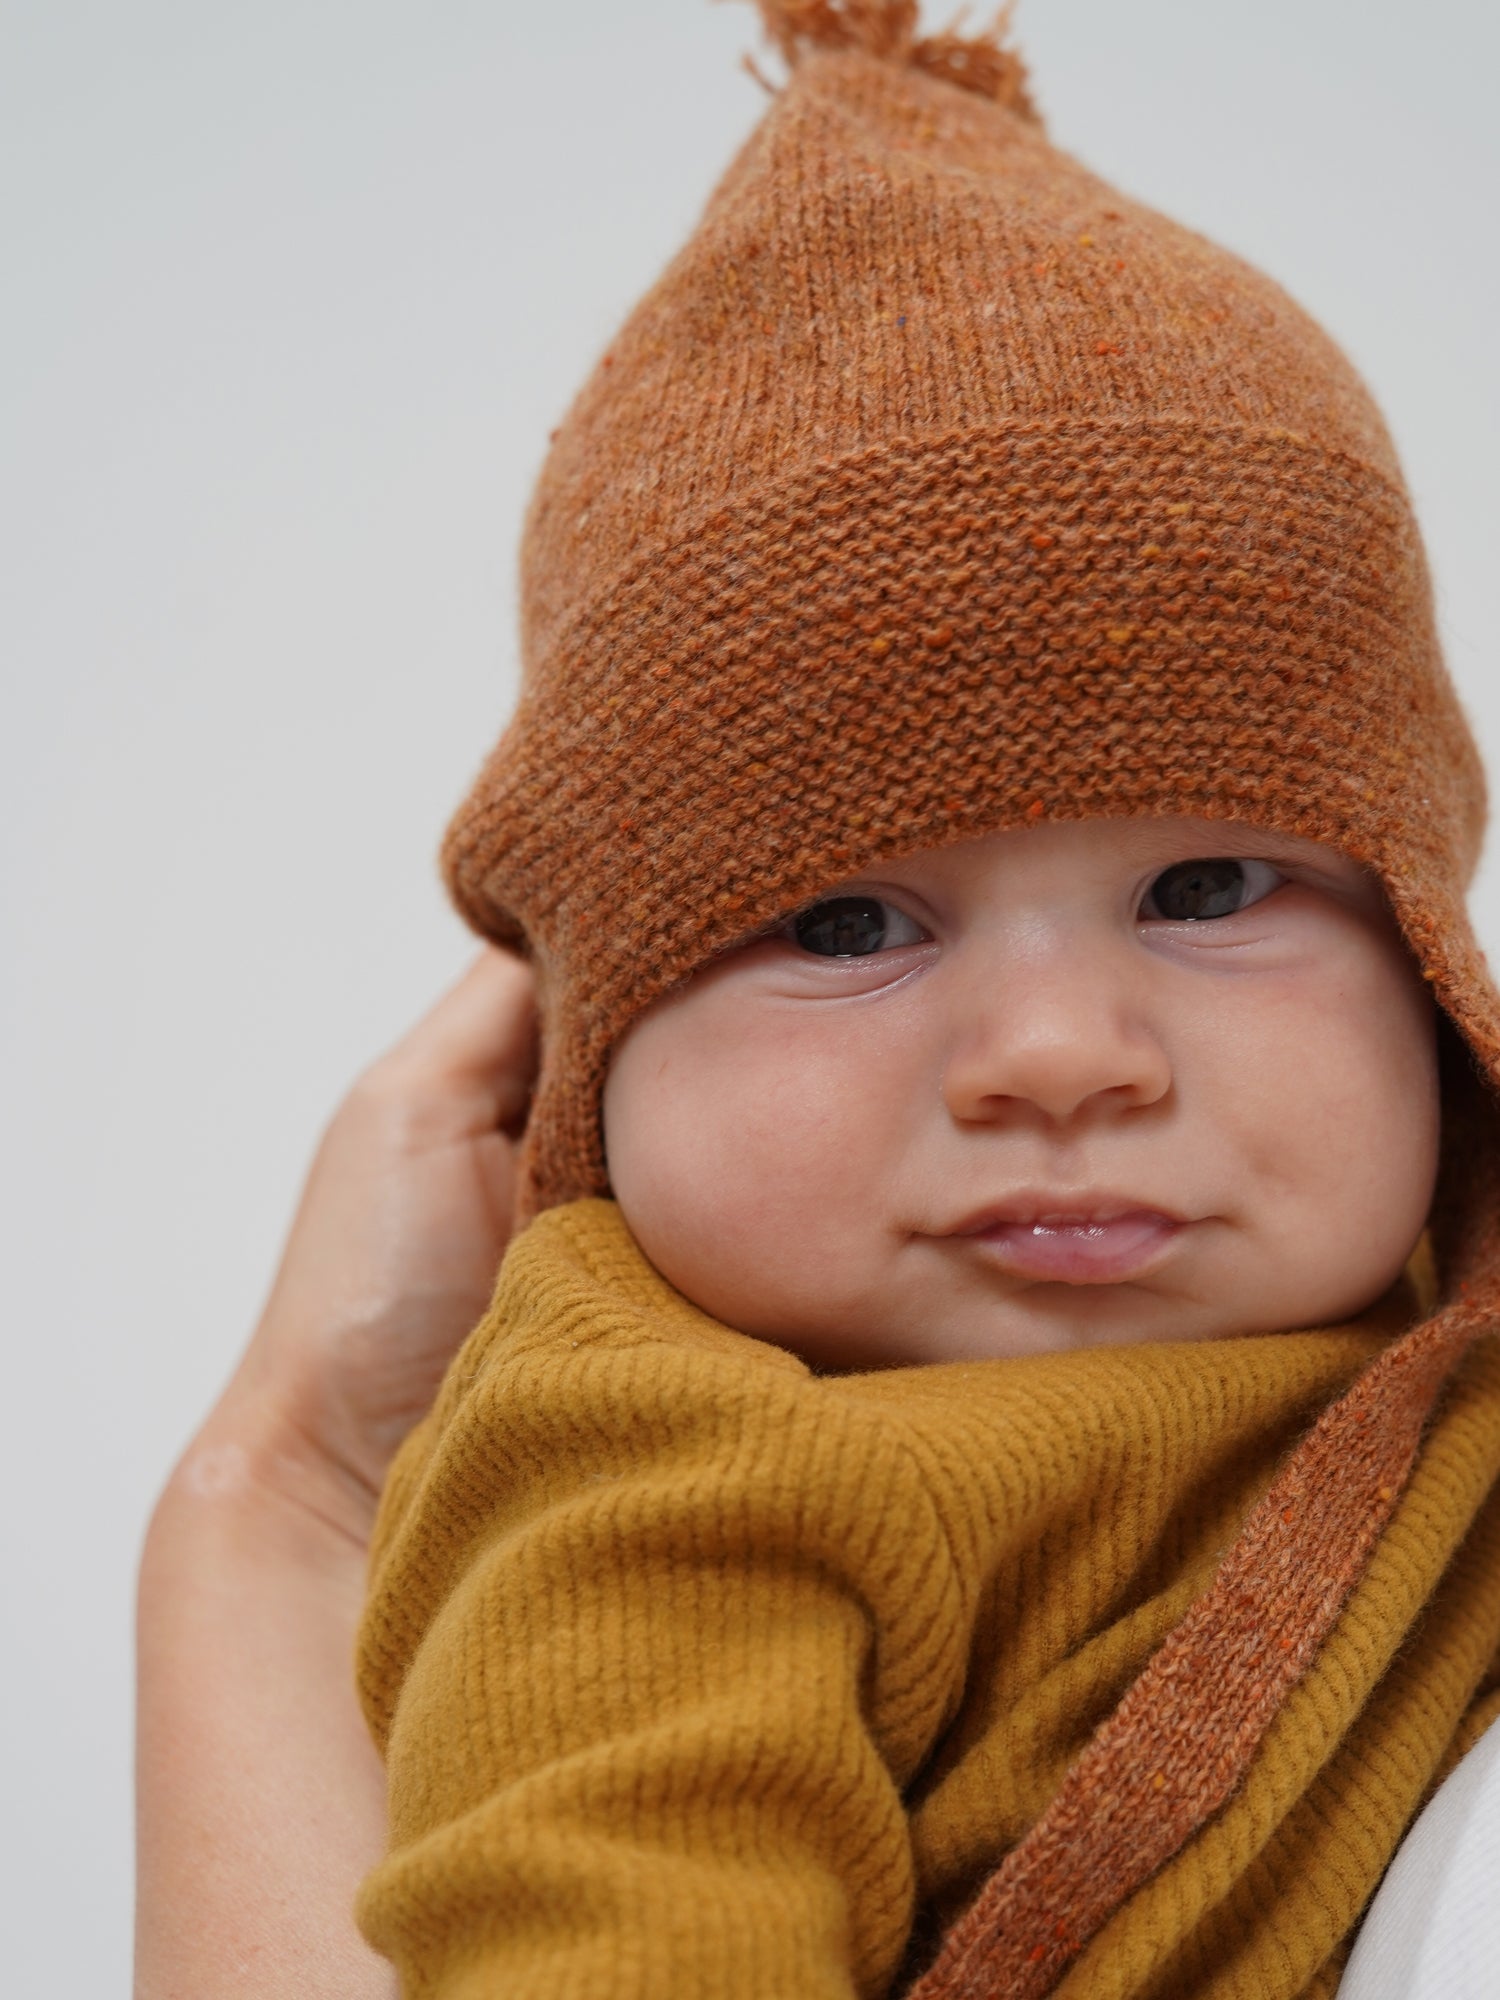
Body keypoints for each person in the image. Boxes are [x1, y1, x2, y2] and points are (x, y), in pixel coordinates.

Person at [134, 4, 1500, 1996]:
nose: (1058, 1057)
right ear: (574, 1062)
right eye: (849, 925)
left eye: (1207, 887)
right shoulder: (674, 1474)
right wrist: (279, 1482)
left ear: (1430, 963)